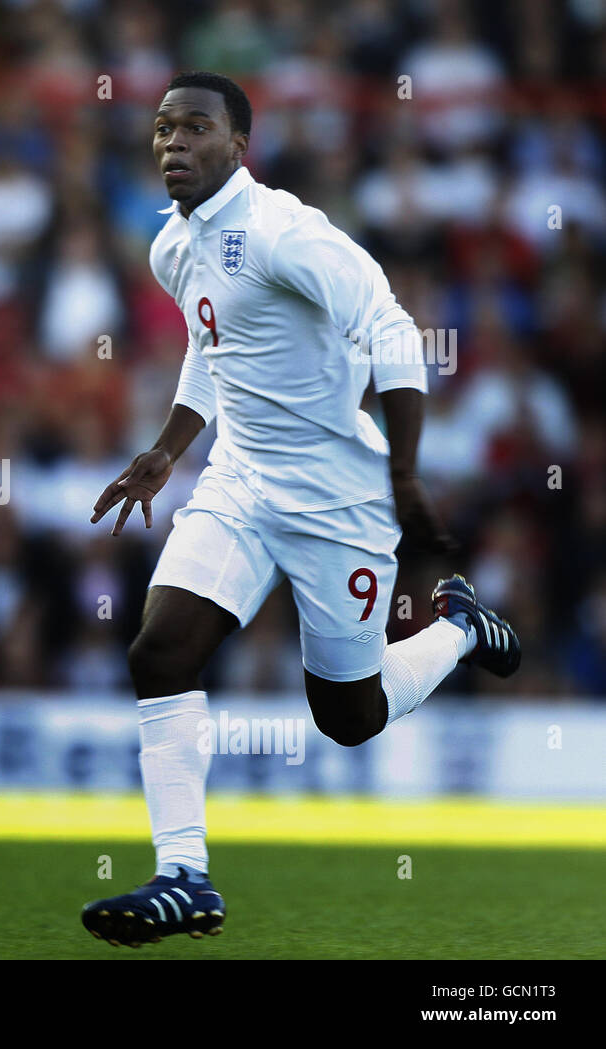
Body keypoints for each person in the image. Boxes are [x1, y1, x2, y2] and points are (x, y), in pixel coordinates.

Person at [82, 72, 520, 948]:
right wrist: (166, 451)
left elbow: (394, 332)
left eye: (194, 127)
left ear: (239, 145)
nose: (172, 142)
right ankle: (184, 877)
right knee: (159, 648)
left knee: (347, 717)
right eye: (162, 128)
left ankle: (463, 627)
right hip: (240, 483)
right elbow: (214, 347)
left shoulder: (286, 234)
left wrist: (403, 472)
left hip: (339, 503)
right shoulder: (172, 246)